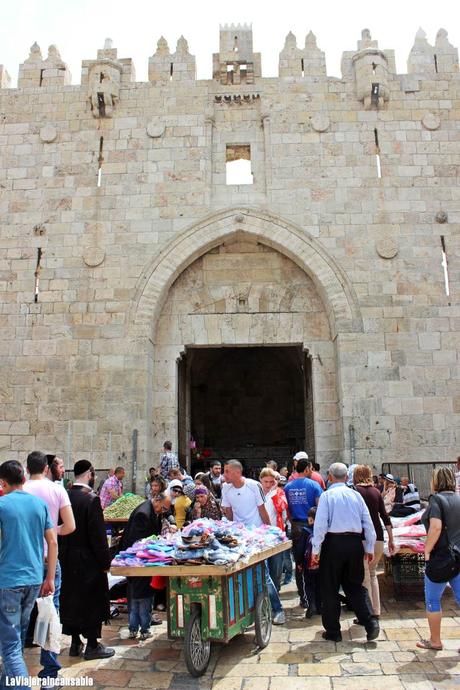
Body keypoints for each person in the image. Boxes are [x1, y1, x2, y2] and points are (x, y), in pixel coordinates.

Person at [0, 460, 57, 690]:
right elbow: (52, 542)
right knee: (17, 639)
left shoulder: (2, 505)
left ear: (3, 483)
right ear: (24, 478)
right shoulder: (39, 505)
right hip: (34, 578)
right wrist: (50, 577)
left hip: (9, 581)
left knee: (11, 645)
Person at [23, 451, 76, 687]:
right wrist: (52, 532)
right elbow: (70, 525)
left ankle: (14, 670)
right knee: (49, 616)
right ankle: (49, 674)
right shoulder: (57, 489)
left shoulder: (20, 489)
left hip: (24, 560)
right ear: (46, 468)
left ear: (27, 469)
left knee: (20, 617)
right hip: (49, 559)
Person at [311, 462, 379, 643]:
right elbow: (368, 523)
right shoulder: (356, 496)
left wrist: (316, 549)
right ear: (347, 478)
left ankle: (333, 631)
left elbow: (320, 525)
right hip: (355, 544)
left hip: (333, 543)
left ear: (330, 477)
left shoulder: (327, 496)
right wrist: (369, 547)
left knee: (330, 587)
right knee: (355, 585)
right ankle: (370, 622)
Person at [59, 459, 115, 661]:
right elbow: (98, 536)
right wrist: (105, 562)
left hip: (66, 557)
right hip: (87, 558)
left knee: (71, 599)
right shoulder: (91, 499)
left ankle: (75, 643)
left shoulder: (64, 495)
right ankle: (92, 645)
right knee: (92, 600)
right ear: (90, 474)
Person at [221, 460, 286, 625]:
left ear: (237, 472)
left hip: (257, 536)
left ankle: (278, 609)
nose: (224, 474)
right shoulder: (225, 488)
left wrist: (270, 533)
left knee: (263, 574)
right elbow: (228, 513)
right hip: (238, 538)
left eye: (227, 471)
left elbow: (262, 510)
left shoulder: (253, 486)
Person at [416, 467, 460, 651]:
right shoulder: (459, 499)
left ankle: (435, 640)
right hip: (459, 554)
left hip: (441, 556)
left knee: (433, 600)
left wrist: (426, 550)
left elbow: (435, 527)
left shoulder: (436, 500)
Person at [120, 493, 171, 639]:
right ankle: (142, 629)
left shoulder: (151, 511)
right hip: (138, 561)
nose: (163, 511)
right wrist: (156, 542)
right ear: (157, 501)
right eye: (163, 508)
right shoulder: (143, 513)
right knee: (141, 597)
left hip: (140, 561)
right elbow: (138, 542)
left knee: (138, 596)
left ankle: (136, 628)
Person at [353, 464, 395, 618]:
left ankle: (368, 614)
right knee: (372, 574)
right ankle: (376, 611)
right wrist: (391, 539)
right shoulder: (376, 492)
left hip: (362, 538)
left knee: (364, 577)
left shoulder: (354, 492)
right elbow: (385, 516)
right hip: (378, 537)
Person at [284, 457, 322, 608]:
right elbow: (320, 508)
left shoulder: (288, 487)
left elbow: (286, 509)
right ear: (306, 469)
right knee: (316, 561)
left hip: (296, 528)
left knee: (299, 563)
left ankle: (303, 598)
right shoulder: (314, 485)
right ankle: (316, 597)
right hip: (312, 527)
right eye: (310, 468)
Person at [259, 468, 288, 592]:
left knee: (276, 566)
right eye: (266, 481)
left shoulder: (279, 492)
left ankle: (275, 591)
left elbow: (282, 508)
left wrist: (275, 492)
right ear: (260, 480)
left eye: (271, 482)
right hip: (259, 535)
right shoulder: (256, 492)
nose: (268, 484)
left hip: (276, 534)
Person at [293, 506, 321, 618]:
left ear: (310, 519)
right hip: (321, 565)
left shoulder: (305, 531)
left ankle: (311, 606)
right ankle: (319, 607)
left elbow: (300, 549)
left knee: (308, 585)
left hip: (308, 565)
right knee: (319, 585)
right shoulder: (323, 531)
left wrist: (299, 562)